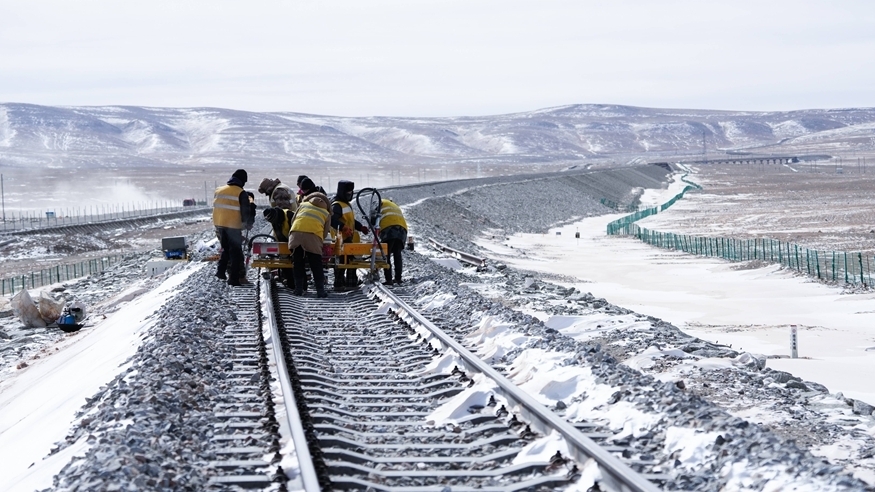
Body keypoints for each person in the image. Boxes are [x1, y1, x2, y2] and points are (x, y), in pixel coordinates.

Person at [287, 184, 331, 298]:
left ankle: (298, 290)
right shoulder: (326, 212)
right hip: (313, 237)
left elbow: (293, 220)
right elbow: (325, 232)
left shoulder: (303, 205)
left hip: (295, 234)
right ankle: (320, 291)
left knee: (297, 262)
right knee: (316, 264)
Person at [213, 169, 254, 287]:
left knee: (226, 249)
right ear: (243, 181)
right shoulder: (241, 193)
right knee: (235, 253)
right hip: (232, 226)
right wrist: (247, 223)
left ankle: (220, 272)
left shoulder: (219, 190)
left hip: (219, 224)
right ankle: (234, 279)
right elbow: (245, 211)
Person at [331, 180, 369, 289]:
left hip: (349, 239)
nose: (349, 195)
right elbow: (333, 220)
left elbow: (350, 220)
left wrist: (360, 227)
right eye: (347, 193)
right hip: (340, 240)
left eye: (351, 193)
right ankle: (339, 284)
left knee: (352, 262)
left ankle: (350, 283)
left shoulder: (346, 204)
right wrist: (343, 228)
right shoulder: (336, 205)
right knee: (342, 263)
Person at [378, 198, 407, 285]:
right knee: (397, 254)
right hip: (402, 229)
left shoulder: (379, 205)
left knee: (386, 254)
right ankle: (398, 278)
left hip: (389, 229)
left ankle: (389, 279)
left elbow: (374, 222)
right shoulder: (393, 205)